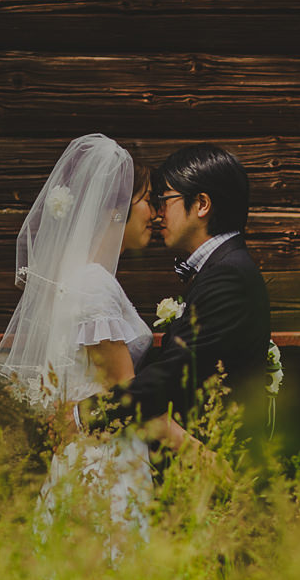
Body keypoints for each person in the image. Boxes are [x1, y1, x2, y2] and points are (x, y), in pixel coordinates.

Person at [0, 134, 162, 551]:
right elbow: (127, 394)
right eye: (148, 200)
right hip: (109, 456)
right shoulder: (93, 286)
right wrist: (193, 448)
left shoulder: (77, 279)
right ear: (117, 206)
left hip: (88, 447)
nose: (154, 214)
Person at [111, 144, 272, 440]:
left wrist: (89, 413)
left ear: (201, 204)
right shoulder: (221, 267)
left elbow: (175, 373)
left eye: (166, 200)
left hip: (218, 456)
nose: (159, 214)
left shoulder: (229, 276)